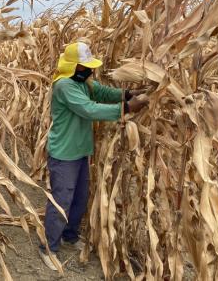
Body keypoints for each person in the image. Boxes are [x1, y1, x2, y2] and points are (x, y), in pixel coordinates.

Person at [39, 42, 149, 271]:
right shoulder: (64, 86)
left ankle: (70, 236)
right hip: (64, 154)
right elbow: (89, 109)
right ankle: (49, 246)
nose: (90, 71)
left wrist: (127, 94)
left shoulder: (83, 81)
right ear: (73, 66)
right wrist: (126, 108)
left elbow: (101, 92)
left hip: (80, 151)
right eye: (85, 67)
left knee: (79, 199)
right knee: (62, 200)